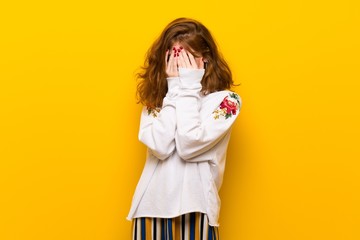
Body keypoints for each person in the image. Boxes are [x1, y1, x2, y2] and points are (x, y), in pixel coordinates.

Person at [127, 17, 242, 240]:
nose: (179, 66)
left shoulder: (227, 101)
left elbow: (189, 144)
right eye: (173, 58)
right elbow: (160, 147)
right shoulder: (157, 102)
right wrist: (173, 92)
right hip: (150, 208)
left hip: (197, 207)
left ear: (204, 59)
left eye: (187, 58)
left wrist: (188, 86)